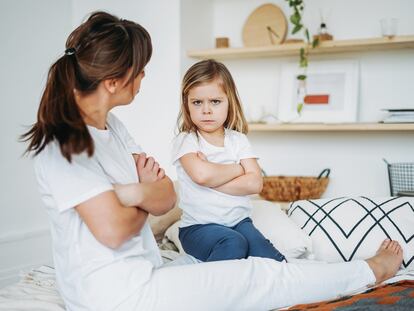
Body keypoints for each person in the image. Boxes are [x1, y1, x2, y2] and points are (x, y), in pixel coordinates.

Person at [22, 11, 403, 311]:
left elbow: (167, 195)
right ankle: (368, 271)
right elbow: (113, 230)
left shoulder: (113, 127)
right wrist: (144, 195)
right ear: (112, 82)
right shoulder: (62, 144)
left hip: (143, 274)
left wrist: (132, 192)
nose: (142, 78)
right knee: (255, 276)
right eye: (139, 72)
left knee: (246, 267)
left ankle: (340, 272)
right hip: (114, 299)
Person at [172, 59, 285, 263]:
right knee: (233, 243)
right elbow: (202, 175)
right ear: (187, 104)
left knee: (273, 261)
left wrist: (214, 176)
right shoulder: (186, 140)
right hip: (197, 228)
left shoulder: (238, 140)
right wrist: (238, 168)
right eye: (197, 102)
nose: (206, 110)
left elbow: (255, 183)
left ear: (229, 101)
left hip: (239, 222)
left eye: (215, 101)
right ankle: (214, 290)